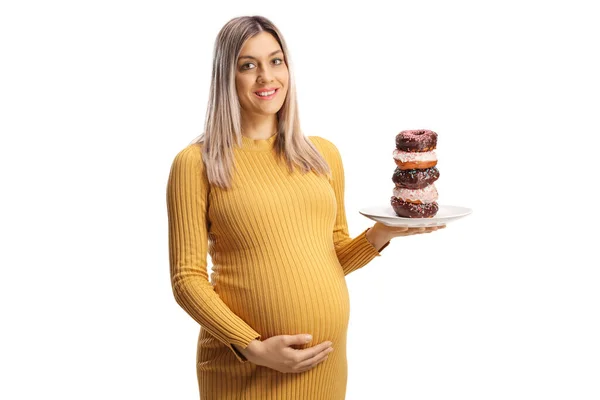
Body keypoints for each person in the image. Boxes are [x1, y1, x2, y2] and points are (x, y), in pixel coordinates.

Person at [166, 15, 444, 400]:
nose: (266, 77)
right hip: (244, 370)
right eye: (248, 65)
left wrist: (381, 234)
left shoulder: (321, 155)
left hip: (325, 369)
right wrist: (252, 347)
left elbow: (329, 257)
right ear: (226, 77)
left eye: (275, 61)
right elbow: (187, 279)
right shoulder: (197, 163)